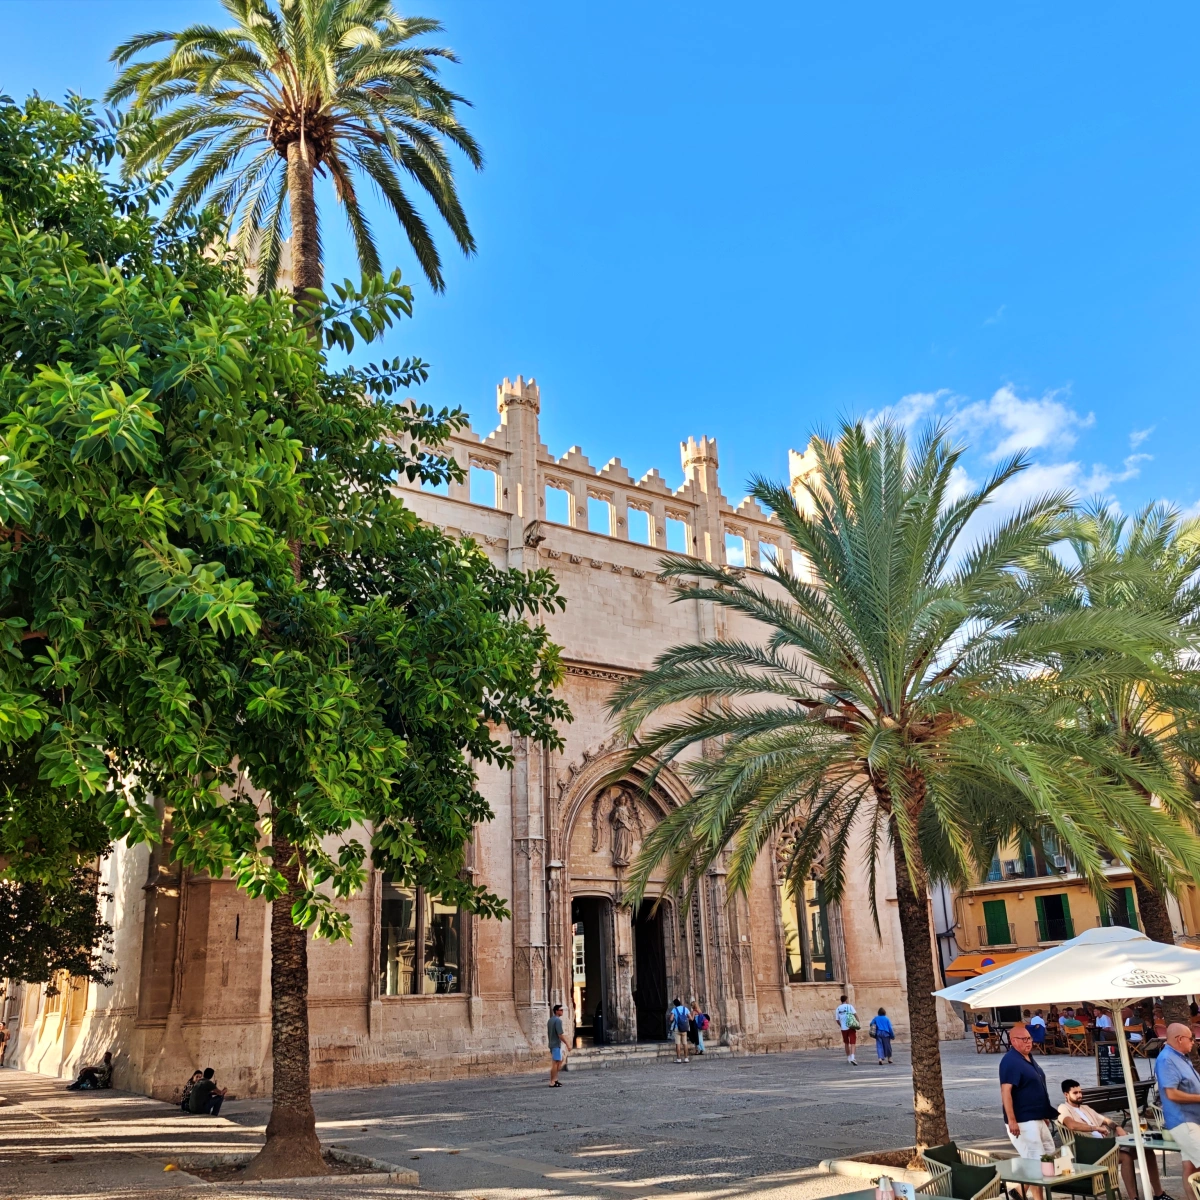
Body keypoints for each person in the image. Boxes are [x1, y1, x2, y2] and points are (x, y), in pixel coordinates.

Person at [1059, 1078, 1172, 1200]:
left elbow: (1106, 1120)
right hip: (1089, 1150)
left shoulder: (1085, 1108)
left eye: (1080, 1092)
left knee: (1147, 1151)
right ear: (1066, 1095)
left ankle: (1159, 1194)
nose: (1080, 1095)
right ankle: (1133, 1198)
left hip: (1105, 1146)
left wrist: (1117, 1127)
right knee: (1126, 1157)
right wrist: (1095, 1128)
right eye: (1075, 1093)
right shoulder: (1063, 1108)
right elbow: (1071, 1125)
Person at [1000, 1024, 1056, 1200]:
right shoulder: (1010, 1061)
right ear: (1013, 1041)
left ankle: (1019, 1191)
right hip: (1023, 1120)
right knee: (1035, 1162)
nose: (1028, 1042)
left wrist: (1044, 1113)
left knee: (1048, 1153)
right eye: (1023, 1039)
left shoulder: (1028, 1058)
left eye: (1029, 1038)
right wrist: (1012, 1120)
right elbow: (1006, 1091)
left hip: (1037, 1117)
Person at [1154, 1023, 1200, 1189]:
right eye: (1191, 1038)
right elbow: (1171, 1094)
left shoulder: (1179, 1056)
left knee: (1191, 1168)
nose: (1193, 1042)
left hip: (1192, 1120)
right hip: (1185, 1121)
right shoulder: (1167, 1059)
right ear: (1180, 1039)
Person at [547, 1002, 569, 1086]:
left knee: (559, 1061)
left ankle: (555, 1079)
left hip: (552, 1043)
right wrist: (567, 1044)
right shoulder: (558, 1021)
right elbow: (560, 1034)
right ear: (556, 1011)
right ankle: (552, 1081)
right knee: (555, 1063)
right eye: (561, 1010)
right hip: (556, 1044)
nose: (562, 1011)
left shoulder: (550, 1020)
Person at [834, 994, 858, 1066]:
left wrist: (841, 1025)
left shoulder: (838, 1008)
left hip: (843, 1028)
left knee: (846, 1043)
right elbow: (855, 1015)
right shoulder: (850, 1006)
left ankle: (848, 1058)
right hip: (850, 1026)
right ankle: (853, 1057)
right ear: (846, 1000)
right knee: (853, 1043)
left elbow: (837, 1020)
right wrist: (857, 1023)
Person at [670, 997, 692, 1063]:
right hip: (684, 1028)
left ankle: (679, 1058)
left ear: (675, 1004)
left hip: (677, 1028)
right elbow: (690, 1018)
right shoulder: (685, 1009)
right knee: (685, 1043)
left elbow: (671, 1019)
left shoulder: (674, 1009)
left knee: (678, 1044)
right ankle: (686, 1058)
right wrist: (685, 1020)